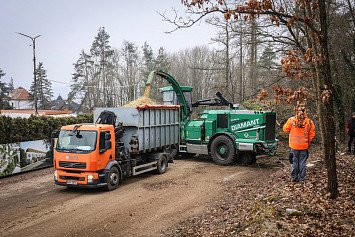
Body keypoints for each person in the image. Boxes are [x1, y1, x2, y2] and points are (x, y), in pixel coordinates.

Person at [283, 107, 315, 183]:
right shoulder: (309, 122)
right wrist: (308, 143)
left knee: (294, 162)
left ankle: (294, 177)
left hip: (294, 146)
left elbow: (285, 129)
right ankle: (302, 179)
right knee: (302, 163)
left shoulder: (291, 120)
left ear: (296, 111)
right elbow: (312, 134)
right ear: (305, 112)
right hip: (304, 146)